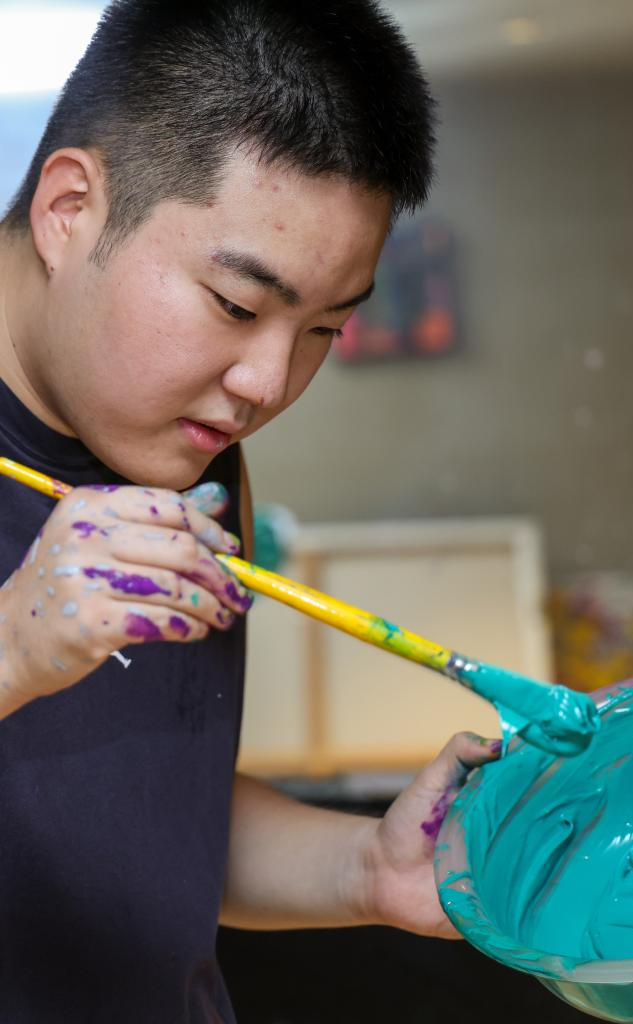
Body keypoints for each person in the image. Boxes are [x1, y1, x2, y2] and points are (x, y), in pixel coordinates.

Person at [0, 1, 500, 1019]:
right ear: (68, 209)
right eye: (236, 304)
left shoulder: (189, 453)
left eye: (322, 328)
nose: (268, 383)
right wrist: (12, 649)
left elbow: (143, 810)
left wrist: (367, 868)